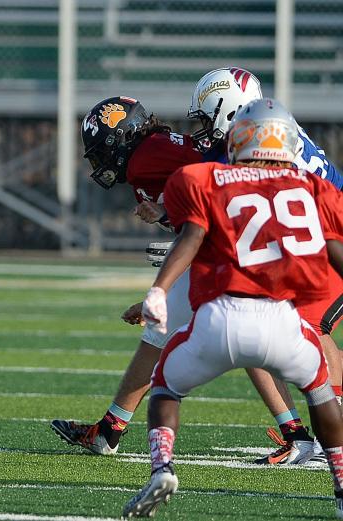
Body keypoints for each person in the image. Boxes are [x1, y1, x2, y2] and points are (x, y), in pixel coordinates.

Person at [53, 72, 342, 464]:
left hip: (317, 245)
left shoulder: (228, 153)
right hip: (296, 243)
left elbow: (217, 210)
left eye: (208, 121)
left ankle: (323, 436)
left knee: (296, 328)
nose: (201, 132)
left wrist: (170, 220)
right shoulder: (262, 137)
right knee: (213, 323)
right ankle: (110, 428)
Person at [123, 98, 343, 518]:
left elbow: (191, 238)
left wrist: (157, 291)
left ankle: (162, 469)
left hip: (219, 320)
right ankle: (341, 486)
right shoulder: (312, 186)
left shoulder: (207, 177)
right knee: (320, 392)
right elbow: (334, 249)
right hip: (284, 322)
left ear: (240, 137)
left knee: (165, 384)